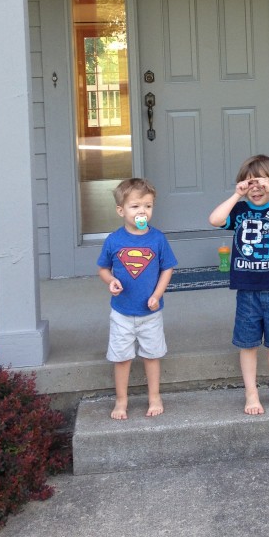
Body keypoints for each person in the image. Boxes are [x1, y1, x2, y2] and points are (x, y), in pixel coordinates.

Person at [209, 154, 269, 415]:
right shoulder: (239, 211)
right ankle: (251, 394)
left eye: (262, 183)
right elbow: (215, 220)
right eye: (250, 184)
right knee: (248, 345)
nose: (256, 189)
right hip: (247, 291)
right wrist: (235, 196)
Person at [97, 177, 177, 420]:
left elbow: (168, 268)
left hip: (150, 312)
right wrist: (111, 281)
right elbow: (103, 268)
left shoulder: (157, 239)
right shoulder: (114, 240)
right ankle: (121, 400)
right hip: (122, 311)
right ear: (121, 211)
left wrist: (157, 294)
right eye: (135, 206)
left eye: (148, 206)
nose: (143, 211)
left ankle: (155, 396)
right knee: (122, 359)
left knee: (152, 356)